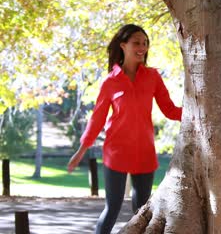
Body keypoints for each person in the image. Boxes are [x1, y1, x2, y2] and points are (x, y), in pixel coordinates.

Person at [67, 24, 182, 234]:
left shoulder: (153, 77)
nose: (142, 47)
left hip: (144, 152)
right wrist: (81, 151)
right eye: (136, 42)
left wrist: (197, 114)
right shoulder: (110, 82)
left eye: (145, 43)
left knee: (141, 213)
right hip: (116, 152)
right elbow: (97, 120)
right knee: (112, 209)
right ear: (123, 46)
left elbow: (170, 110)